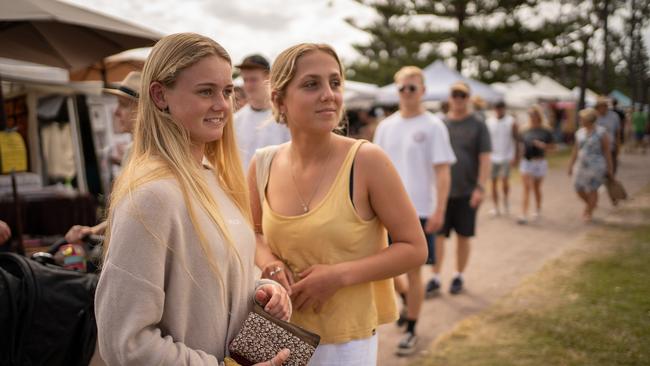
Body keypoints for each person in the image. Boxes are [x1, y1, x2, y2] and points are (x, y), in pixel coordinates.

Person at [95, 33, 291, 366]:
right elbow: (126, 344)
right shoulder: (151, 196)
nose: (222, 104)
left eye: (228, 91)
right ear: (160, 96)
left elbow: (203, 285)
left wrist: (258, 289)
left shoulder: (211, 175)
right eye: (206, 91)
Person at [249, 43, 427, 365]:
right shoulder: (262, 163)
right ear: (279, 100)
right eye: (311, 84)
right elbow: (254, 233)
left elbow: (415, 247)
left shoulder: (366, 161)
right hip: (276, 331)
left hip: (344, 343)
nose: (328, 94)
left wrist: (339, 276)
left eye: (334, 82)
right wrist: (270, 265)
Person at [373, 66, 455, 356]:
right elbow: (374, 170)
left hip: (420, 210)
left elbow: (443, 171)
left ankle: (411, 329)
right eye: (402, 88)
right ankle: (408, 300)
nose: (407, 93)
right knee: (387, 271)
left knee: (414, 272)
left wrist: (439, 210)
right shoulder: (385, 127)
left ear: (423, 91)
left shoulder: (433, 126)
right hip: (385, 212)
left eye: (412, 88)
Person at [63, 72, 142, 244]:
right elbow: (124, 213)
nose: (116, 112)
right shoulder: (132, 151)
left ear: (142, 109)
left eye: (123, 105)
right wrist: (92, 230)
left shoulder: (153, 154)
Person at [434, 81, 491, 295]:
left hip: (467, 190)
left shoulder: (478, 124)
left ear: (468, 98)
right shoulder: (440, 124)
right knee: (438, 235)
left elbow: (485, 158)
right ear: (449, 97)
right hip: (442, 191)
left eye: (462, 95)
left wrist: (481, 187)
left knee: (463, 236)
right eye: (454, 94)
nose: (458, 98)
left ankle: (458, 275)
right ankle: (436, 277)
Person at [234, 54, 290, 170]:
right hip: (243, 187)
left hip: (278, 186)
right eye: (245, 80)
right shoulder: (235, 120)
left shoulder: (286, 118)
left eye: (253, 80)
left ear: (268, 78)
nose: (248, 85)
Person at [568, 108, 613, 222]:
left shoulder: (601, 132)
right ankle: (591, 204)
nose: (580, 121)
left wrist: (610, 168)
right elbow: (575, 150)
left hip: (596, 167)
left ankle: (588, 212)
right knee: (578, 188)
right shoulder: (580, 132)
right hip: (581, 166)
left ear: (589, 120)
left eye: (582, 119)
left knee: (593, 189)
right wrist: (570, 165)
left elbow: (607, 151)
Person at [517, 105, 554, 224]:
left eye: (534, 114)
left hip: (540, 161)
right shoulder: (524, 129)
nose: (532, 117)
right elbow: (520, 145)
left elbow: (553, 147)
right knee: (526, 188)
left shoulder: (546, 130)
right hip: (527, 161)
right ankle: (523, 214)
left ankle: (538, 208)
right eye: (530, 115)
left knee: (537, 188)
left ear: (539, 115)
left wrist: (543, 146)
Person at [486, 101, 518, 216]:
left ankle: (505, 201)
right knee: (493, 182)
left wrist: (515, 156)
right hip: (493, 157)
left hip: (506, 156)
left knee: (504, 181)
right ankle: (496, 206)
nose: (499, 111)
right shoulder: (489, 122)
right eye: (497, 108)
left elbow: (516, 140)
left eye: (500, 108)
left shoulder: (511, 122)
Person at [595, 97, 621, 175]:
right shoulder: (594, 116)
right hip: (597, 148)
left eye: (604, 106)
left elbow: (617, 132)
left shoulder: (614, 116)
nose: (602, 108)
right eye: (600, 106)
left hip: (611, 146)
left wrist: (618, 145)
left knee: (611, 169)